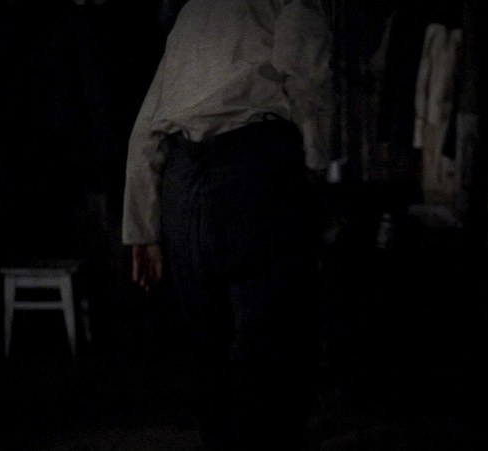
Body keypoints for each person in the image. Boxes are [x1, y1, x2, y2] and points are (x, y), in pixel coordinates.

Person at [121, 1, 333, 449]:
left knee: (207, 350)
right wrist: (314, 166)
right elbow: (307, 85)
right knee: (272, 344)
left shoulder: (194, 11)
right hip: (254, 169)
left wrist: (143, 231)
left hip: (183, 186)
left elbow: (146, 127)